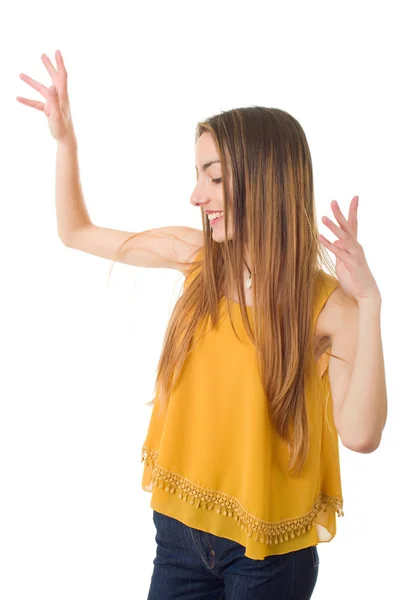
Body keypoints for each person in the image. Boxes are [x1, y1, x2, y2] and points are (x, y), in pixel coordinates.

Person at [17, 50, 387, 600]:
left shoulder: (331, 308)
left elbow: (361, 436)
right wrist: (65, 142)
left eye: (213, 177)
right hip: (180, 535)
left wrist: (372, 303)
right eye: (197, 176)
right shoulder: (197, 258)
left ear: (265, 181)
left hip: (267, 559)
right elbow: (75, 232)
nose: (196, 196)